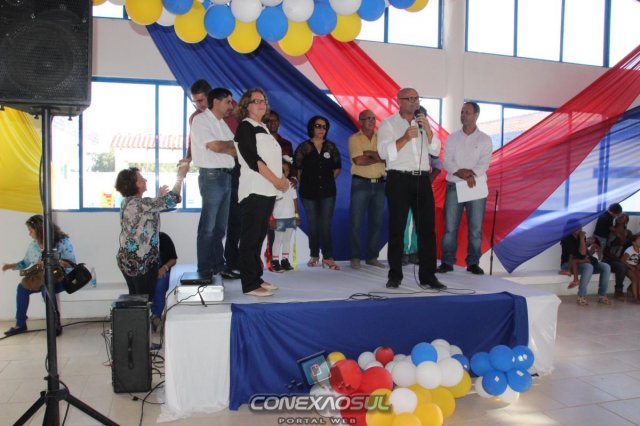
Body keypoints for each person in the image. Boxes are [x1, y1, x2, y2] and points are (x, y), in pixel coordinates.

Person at [377, 88, 444, 290]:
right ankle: (395, 275)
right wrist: (405, 138)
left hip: (422, 179)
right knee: (397, 229)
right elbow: (383, 153)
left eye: (417, 98)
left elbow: (435, 150)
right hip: (399, 179)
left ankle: (428, 276)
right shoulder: (389, 123)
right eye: (410, 98)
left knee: (427, 230)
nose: (415, 102)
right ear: (399, 101)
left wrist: (428, 130)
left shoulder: (422, 121)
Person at [234, 88, 290, 296]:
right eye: (256, 101)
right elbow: (253, 160)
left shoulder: (263, 127)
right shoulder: (245, 126)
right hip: (254, 189)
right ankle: (249, 284)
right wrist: (276, 180)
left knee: (258, 237)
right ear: (246, 105)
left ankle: (256, 277)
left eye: (263, 100)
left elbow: (273, 160)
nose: (261, 104)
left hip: (268, 190)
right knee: (250, 239)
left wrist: (281, 179)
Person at [115, 164, 188, 298]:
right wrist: (180, 176)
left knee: (136, 299)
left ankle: (138, 311)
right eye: (141, 179)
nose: (145, 180)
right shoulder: (139, 204)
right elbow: (173, 199)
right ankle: (142, 312)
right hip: (141, 263)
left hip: (128, 260)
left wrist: (158, 198)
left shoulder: (128, 202)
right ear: (133, 185)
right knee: (145, 300)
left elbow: (147, 212)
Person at [437, 102, 492, 275]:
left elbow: (484, 162)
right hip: (455, 184)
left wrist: (470, 174)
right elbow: (447, 160)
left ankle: (473, 263)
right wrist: (460, 173)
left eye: (467, 112)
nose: (463, 115)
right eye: (462, 112)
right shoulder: (452, 137)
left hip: (475, 186)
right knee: (450, 228)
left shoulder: (485, 139)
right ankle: (447, 262)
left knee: (475, 229)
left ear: (476, 115)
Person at [190, 87, 237, 280]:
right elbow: (216, 146)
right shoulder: (201, 120)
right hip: (211, 176)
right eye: (228, 102)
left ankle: (219, 265)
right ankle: (204, 269)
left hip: (226, 176)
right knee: (208, 227)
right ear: (216, 102)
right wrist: (227, 146)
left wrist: (226, 146)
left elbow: (235, 149)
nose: (231, 106)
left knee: (219, 228)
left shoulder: (222, 123)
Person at [2, 215, 76, 336]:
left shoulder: (62, 241)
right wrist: (11, 266)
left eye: (30, 230)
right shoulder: (34, 245)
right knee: (22, 288)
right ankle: (20, 324)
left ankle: (55, 324)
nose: (29, 234)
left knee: (46, 289)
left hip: (62, 278)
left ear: (39, 229)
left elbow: (72, 264)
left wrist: (55, 262)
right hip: (42, 278)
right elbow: (25, 262)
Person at [294, 115, 342, 270]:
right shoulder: (303, 147)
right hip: (308, 192)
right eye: (318, 126)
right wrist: (306, 182)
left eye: (324, 127)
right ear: (312, 128)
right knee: (313, 224)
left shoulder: (331, 147)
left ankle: (328, 257)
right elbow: (297, 169)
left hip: (328, 191)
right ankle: (314, 254)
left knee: (325, 224)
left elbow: (337, 168)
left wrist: (326, 181)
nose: (321, 129)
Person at [348, 109, 386, 269]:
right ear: (360, 121)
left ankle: (372, 257)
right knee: (356, 222)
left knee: (376, 222)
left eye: (373, 118)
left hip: (380, 185)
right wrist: (378, 157)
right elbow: (359, 161)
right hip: (360, 184)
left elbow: (389, 159)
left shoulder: (383, 138)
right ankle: (355, 257)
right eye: (367, 118)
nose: (371, 121)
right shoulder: (354, 139)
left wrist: (371, 154)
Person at [560, 225, 612, 306]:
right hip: (568, 264)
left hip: (582, 262)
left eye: (580, 227)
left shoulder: (582, 237)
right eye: (576, 227)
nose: (579, 229)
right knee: (588, 267)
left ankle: (602, 295)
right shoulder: (566, 239)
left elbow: (585, 254)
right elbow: (579, 255)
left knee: (605, 266)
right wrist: (582, 238)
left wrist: (590, 250)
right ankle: (581, 295)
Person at [270, 157, 300, 272]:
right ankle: (275, 261)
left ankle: (285, 260)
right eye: (282, 169)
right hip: (279, 217)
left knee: (287, 239)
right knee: (278, 240)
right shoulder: (274, 184)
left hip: (290, 216)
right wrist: (271, 218)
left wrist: (296, 215)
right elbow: (271, 202)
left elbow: (294, 199)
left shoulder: (291, 184)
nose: (285, 172)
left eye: (287, 170)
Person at [150, 232, 177, 330]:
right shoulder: (140, 242)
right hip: (147, 273)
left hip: (164, 272)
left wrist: (164, 268)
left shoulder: (164, 238)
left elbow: (173, 259)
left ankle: (156, 316)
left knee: (160, 283)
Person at [603, 213, 631, 300]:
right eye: (619, 216)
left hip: (621, 258)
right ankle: (618, 291)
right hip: (608, 258)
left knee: (626, 266)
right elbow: (605, 248)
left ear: (626, 221)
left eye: (623, 217)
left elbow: (625, 244)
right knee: (621, 267)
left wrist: (618, 233)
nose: (620, 218)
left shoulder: (628, 233)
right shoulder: (609, 230)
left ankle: (630, 288)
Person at [622, 234, 640, 303]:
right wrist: (631, 267)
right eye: (639, 240)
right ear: (634, 242)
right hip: (627, 267)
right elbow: (623, 260)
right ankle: (635, 298)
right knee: (635, 279)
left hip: (635, 267)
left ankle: (631, 291)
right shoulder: (629, 250)